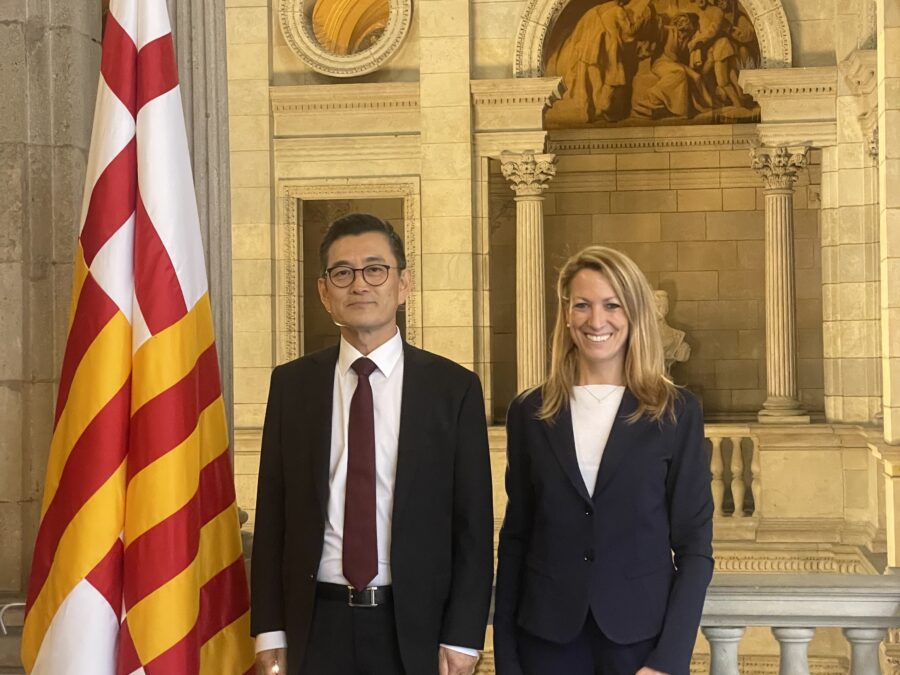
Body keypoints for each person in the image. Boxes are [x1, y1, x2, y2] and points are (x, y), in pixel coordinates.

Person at [251, 213, 494, 675]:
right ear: (324, 291)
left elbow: (473, 525)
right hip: (314, 624)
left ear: (403, 284)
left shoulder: (453, 388)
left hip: (414, 627)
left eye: (375, 269)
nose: (359, 284)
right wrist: (269, 629)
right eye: (343, 272)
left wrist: (464, 634)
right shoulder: (292, 385)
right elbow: (273, 515)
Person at [493, 246, 713, 675]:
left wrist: (669, 660)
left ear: (635, 313)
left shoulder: (677, 411)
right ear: (566, 313)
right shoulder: (529, 412)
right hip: (545, 642)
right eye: (583, 305)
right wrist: (507, 657)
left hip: (641, 647)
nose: (597, 320)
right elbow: (516, 537)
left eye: (612, 305)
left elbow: (695, 547)